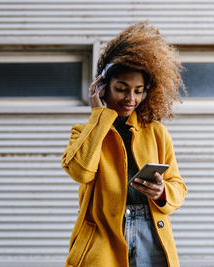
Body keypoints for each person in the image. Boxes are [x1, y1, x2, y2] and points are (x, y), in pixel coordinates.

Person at [61, 21, 187, 267]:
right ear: (102, 87)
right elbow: (80, 172)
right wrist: (98, 116)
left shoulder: (157, 133)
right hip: (103, 233)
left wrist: (161, 192)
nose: (131, 99)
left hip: (150, 231)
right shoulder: (84, 132)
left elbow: (178, 187)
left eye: (138, 91)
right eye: (121, 89)